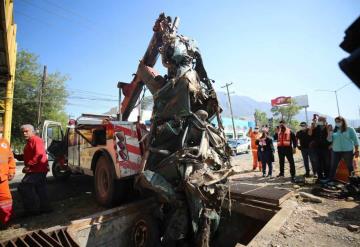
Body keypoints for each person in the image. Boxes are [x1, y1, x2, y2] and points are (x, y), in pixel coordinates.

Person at [17, 124, 51, 216]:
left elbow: (39, 154)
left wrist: (28, 166)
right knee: (40, 189)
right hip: (38, 169)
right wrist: (16, 156)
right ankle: (45, 208)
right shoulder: (29, 142)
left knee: (24, 187)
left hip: (37, 169)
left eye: (26, 131)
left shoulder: (36, 140)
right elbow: (28, 155)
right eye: (23, 132)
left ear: (32, 131)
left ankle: (32, 210)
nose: (24, 133)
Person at [327, 116, 359, 183]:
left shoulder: (350, 129)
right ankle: (331, 180)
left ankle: (352, 181)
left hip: (347, 151)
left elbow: (356, 140)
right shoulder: (334, 130)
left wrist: (357, 150)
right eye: (336, 122)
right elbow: (329, 140)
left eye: (338, 121)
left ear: (343, 121)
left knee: (349, 166)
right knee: (333, 165)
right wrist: (329, 132)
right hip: (335, 151)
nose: (337, 123)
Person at [0, 130, 15, 228]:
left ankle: (5, 223)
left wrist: (11, 170)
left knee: (6, 201)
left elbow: (10, 158)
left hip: (2, 179)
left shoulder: (4, 143)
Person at [309, 116, 331, 180]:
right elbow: (310, 134)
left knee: (326, 163)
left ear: (325, 120)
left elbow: (330, 138)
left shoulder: (329, 127)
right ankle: (320, 177)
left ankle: (327, 176)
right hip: (316, 148)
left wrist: (327, 129)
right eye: (319, 120)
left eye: (322, 120)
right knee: (318, 163)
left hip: (326, 148)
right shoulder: (316, 128)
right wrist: (312, 127)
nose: (321, 121)